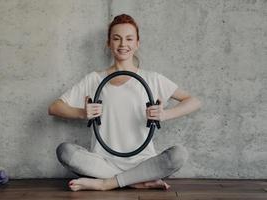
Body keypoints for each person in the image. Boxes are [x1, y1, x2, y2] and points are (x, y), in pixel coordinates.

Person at [48, 14, 201, 192]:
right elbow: (54, 107)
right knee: (65, 151)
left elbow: (194, 101)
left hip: (144, 162)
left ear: (137, 43)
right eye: (116, 39)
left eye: (129, 39)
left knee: (178, 155)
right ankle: (134, 181)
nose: (123, 44)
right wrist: (82, 113)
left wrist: (165, 114)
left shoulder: (152, 79)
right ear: (109, 43)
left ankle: (107, 183)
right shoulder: (94, 79)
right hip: (103, 163)